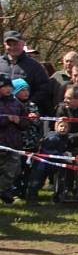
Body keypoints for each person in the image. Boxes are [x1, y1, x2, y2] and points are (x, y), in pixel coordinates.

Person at [0, 31, 51, 115]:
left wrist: (29, 103)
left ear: (23, 44)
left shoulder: (34, 66)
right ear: (5, 45)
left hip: (23, 114)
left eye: (16, 44)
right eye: (9, 44)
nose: (12, 47)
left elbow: (44, 88)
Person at [0, 74, 30, 203]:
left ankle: (3, 190)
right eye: (4, 86)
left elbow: (26, 121)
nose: (8, 89)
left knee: (14, 170)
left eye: (9, 86)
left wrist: (20, 121)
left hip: (13, 143)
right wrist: (7, 119)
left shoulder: (17, 104)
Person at [10, 79, 41, 201]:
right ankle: (14, 191)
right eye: (22, 90)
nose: (26, 92)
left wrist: (35, 119)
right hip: (16, 143)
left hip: (30, 142)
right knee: (15, 169)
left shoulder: (32, 105)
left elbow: (38, 123)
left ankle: (27, 191)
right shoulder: (11, 105)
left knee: (29, 169)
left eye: (27, 89)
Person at [26, 120, 71, 204]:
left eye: (66, 127)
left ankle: (58, 196)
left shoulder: (66, 138)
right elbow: (47, 150)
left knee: (61, 178)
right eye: (61, 126)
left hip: (55, 163)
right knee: (37, 179)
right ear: (56, 127)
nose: (63, 128)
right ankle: (32, 198)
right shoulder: (52, 137)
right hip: (42, 162)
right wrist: (62, 155)